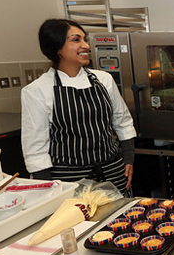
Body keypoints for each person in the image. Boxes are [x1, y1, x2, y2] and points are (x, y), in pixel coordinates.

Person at [21, 19, 137, 196]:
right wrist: (47, 191)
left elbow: (122, 121)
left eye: (85, 39)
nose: (86, 46)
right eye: (76, 40)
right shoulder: (37, 90)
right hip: (69, 180)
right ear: (56, 47)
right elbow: (36, 148)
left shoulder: (104, 79)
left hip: (113, 173)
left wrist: (128, 158)